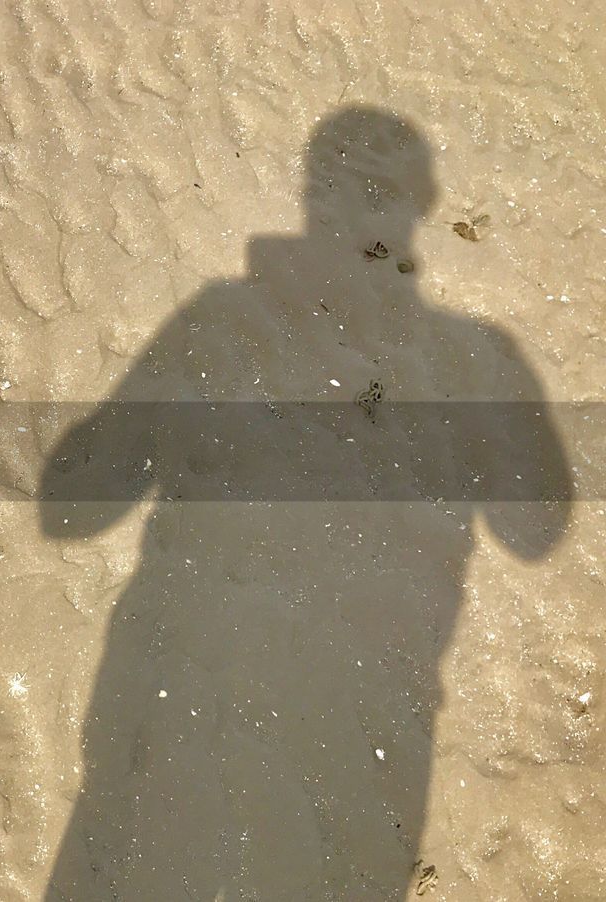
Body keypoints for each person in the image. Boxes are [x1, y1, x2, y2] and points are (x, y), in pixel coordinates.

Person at [41, 106, 571, 899]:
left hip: (206, 722)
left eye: (361, 193)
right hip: (321, 735)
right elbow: (536, 526)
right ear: (420, 206)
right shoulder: (474, 357)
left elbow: (72, 501)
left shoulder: (223, 322)